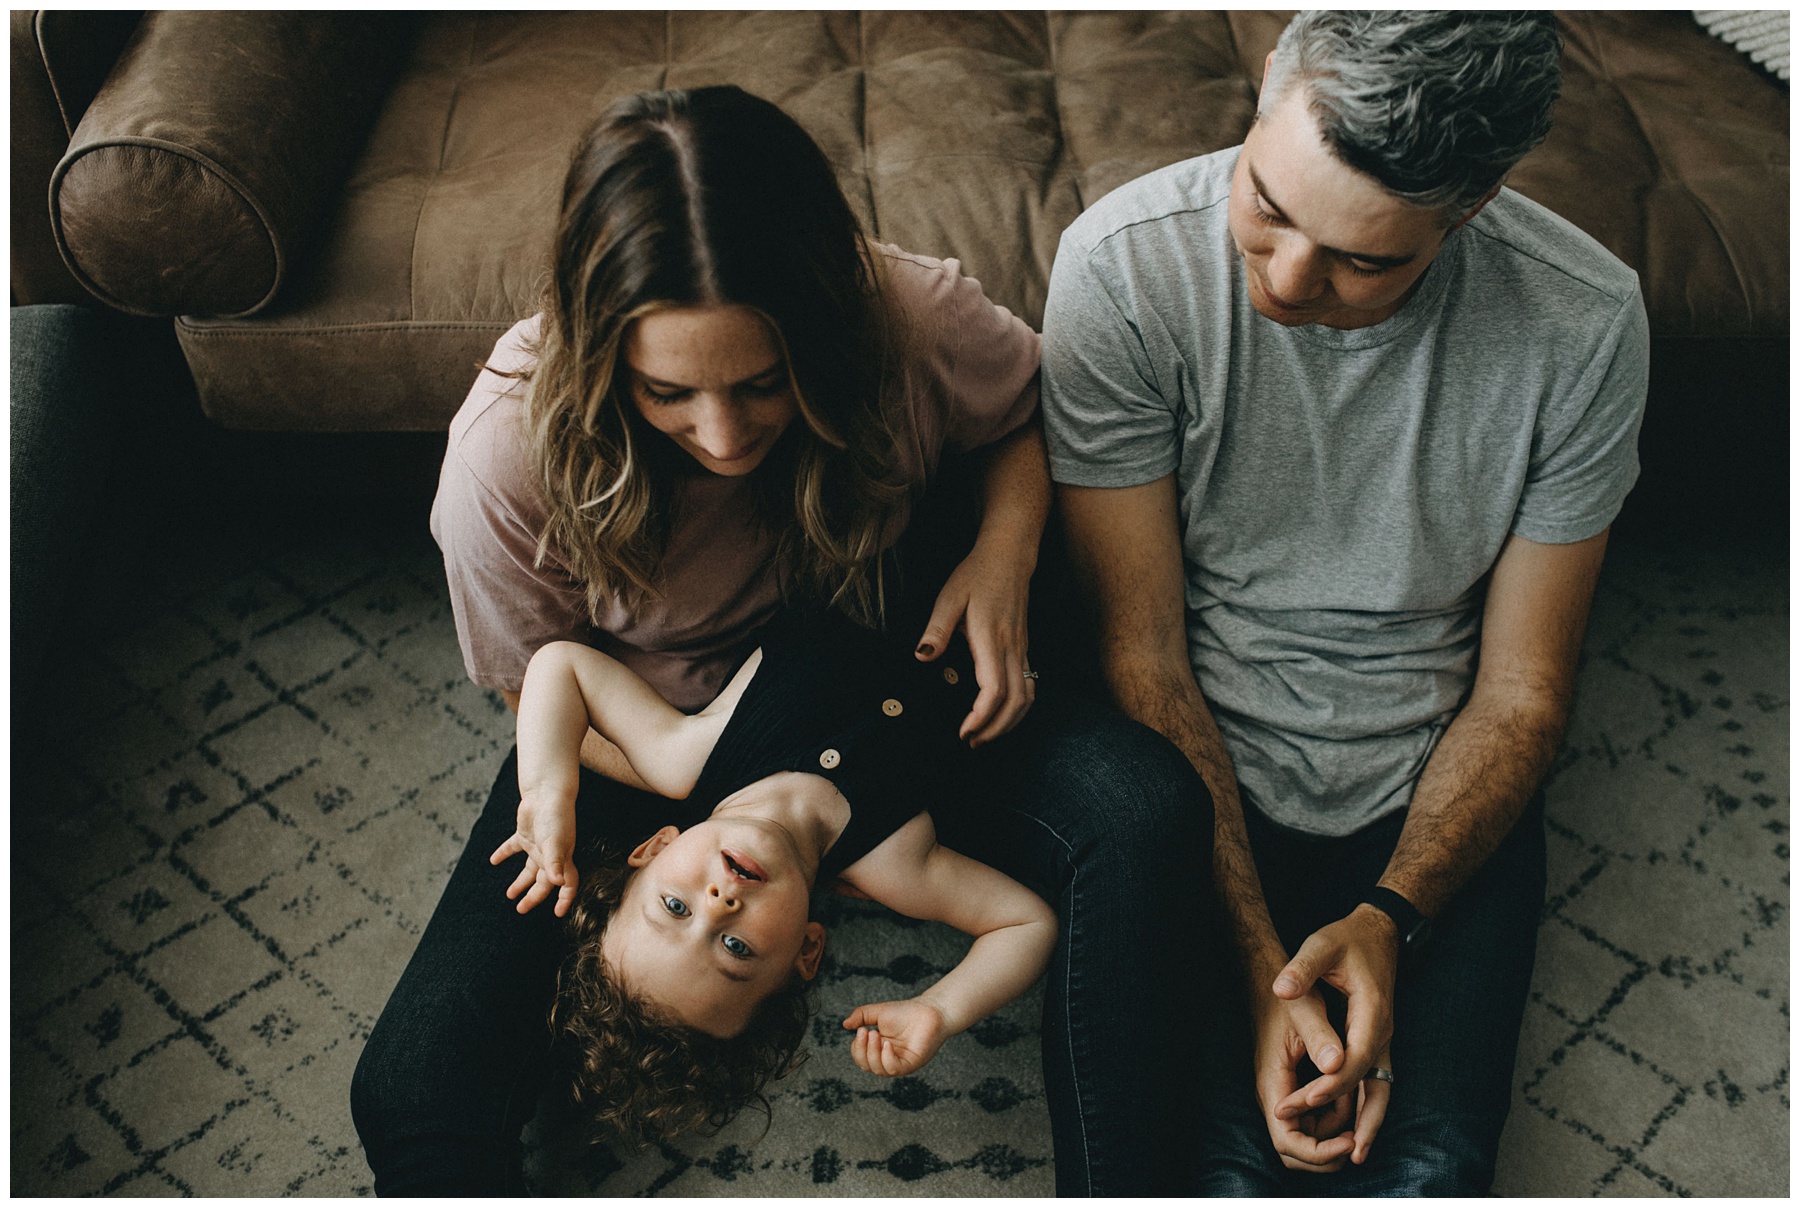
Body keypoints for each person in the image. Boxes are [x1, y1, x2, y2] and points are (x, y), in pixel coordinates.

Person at [350, 84, 1212, 1196]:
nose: (721, 436)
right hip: (660, 733)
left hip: (908, 657)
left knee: (1147, 811)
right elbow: (542, 686)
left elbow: (1028, 413)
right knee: (416, 1089)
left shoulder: (905, 313)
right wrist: (648, 792)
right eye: (668, 393)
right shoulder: (501, 461)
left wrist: (1003, 553)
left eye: (763, 386)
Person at [1040, 11, 1647, 1196]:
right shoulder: (1119, 268)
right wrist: (1268, 962)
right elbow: (1143, 653)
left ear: (1470, 208)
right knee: (1201, 1168)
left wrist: (1390, 917)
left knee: (1427, 1172)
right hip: (1185, 761)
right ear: (1266, 85)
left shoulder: (1585, 320)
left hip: (1436, 771)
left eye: (1366, 261)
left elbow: (1523, 689)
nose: (1283, 280)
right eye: (1267, 203)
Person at [497, 613, 1055, 1143]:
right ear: (807, 951)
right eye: (735, 948)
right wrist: (941, 1009)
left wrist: (546, 792)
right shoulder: (896, 862)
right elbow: (1025, 923)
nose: (717, 906)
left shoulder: (686, 757)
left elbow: (560, 666)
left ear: (656, 847)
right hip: (1018, 630)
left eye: (674, 907)